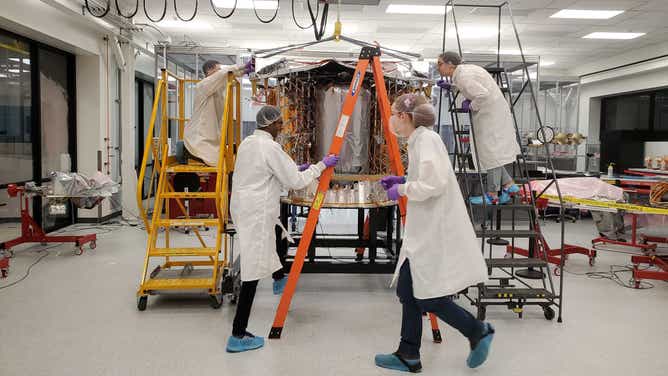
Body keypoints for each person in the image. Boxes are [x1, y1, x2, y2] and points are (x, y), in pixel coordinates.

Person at [375, 93, 494, 373]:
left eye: (394, 113)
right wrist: (403, 179)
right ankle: (409, 353)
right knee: (408, 289)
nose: (391, 119)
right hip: (423, 231)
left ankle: (478, 331)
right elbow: (428, 176)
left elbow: (434, 183)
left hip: (433, 231)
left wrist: (402, 189)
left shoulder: (426, 140)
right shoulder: (419, 140)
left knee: (427, 296)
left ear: (404, 116)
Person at [227, 105, 339, 353]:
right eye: (278, 123)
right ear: (269, 125)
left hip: (244, 208)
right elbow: (295, 181)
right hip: (256, 212)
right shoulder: (270, 147)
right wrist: (320, 166)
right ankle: (237, 334)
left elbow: (263, 172)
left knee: (260, 254)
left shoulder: (248, 143)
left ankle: (278, 279)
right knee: (252, 271)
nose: (281, 127)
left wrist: (291, 168)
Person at [436, 51, 521, 205]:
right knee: (491, 154)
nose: (438, 67)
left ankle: (492, 195)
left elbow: (482, 94)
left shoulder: (462, 75)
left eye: (440, 64)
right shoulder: (464, 72)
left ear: (450, 65)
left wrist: (470, 105)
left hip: (490, 117)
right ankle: (509, 185)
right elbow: (470, 88)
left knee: (491, 154)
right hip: (492, 114)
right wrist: (453, 88)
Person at [183, 59, 254, 166]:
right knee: (216, 162)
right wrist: (243, 65)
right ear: (209, 71)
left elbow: (225, 76)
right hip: (198, 139)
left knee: (218, 161)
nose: (221, 72)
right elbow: (222, 74)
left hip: (209, 139)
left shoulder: (216, 88)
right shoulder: (203, 85)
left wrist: (243, 72)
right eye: (218, 69)